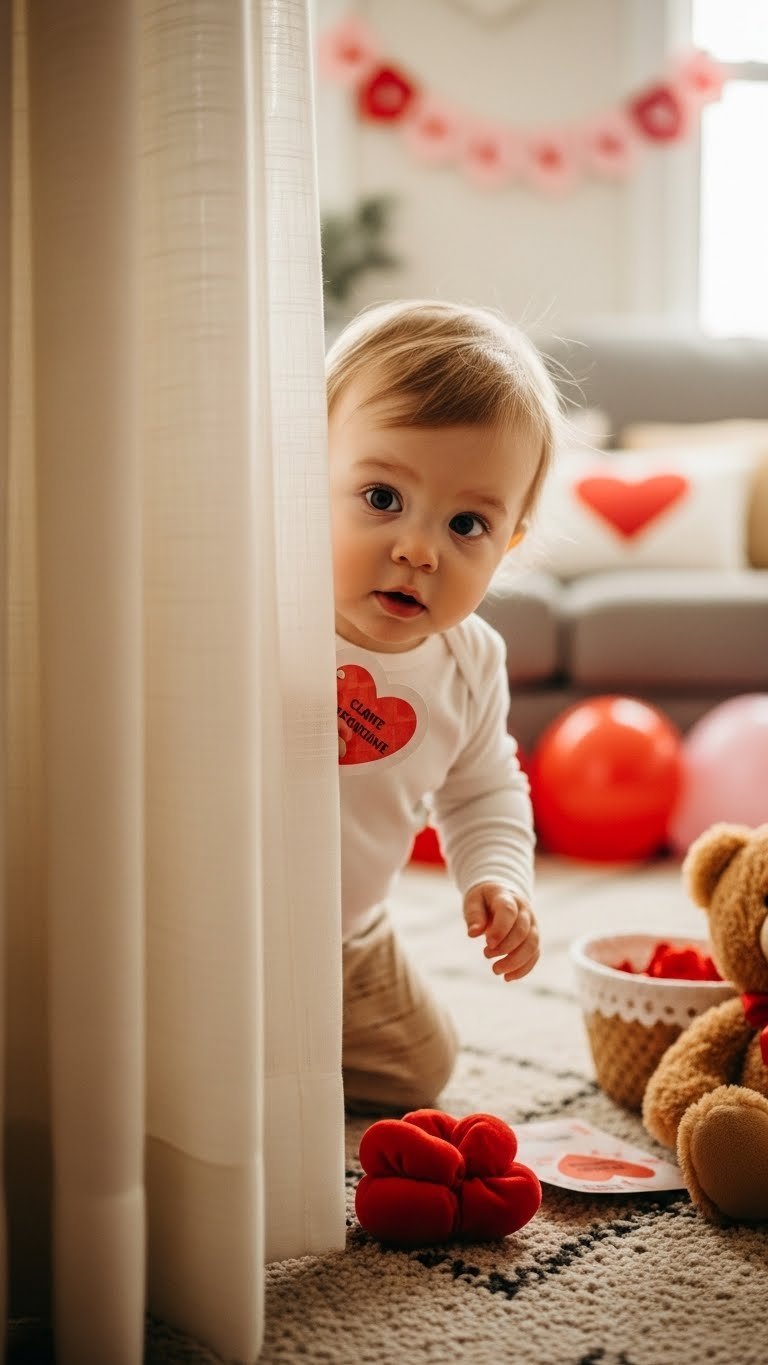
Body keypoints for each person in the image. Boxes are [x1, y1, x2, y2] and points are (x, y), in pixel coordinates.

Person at [327, 299, 562, 1112]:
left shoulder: (470, 662)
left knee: (422, 1065)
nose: (419, 549)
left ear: (509, 544)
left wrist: (499, 877)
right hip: (207, 923)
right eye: (381, 497)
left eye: (467, 523)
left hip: (343, 936)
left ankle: (281, 1043)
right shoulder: (263, 609)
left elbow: (484, 789)